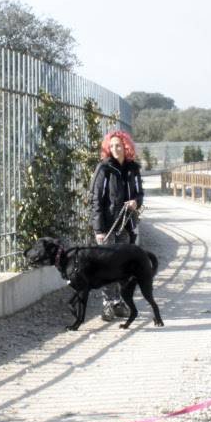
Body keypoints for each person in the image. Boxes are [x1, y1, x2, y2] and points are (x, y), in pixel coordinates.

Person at [89, 128, 144, 321]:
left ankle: (119, 302)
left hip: (126, 224)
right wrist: (98, 230)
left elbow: (139, 193)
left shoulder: (133, 169)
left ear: (125, 146)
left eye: (118, 145)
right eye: (111, 146)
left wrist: (135, 202)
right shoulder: (103, 169)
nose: (114, 149)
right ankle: (107, 304)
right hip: (107, 225)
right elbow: (96, 200)